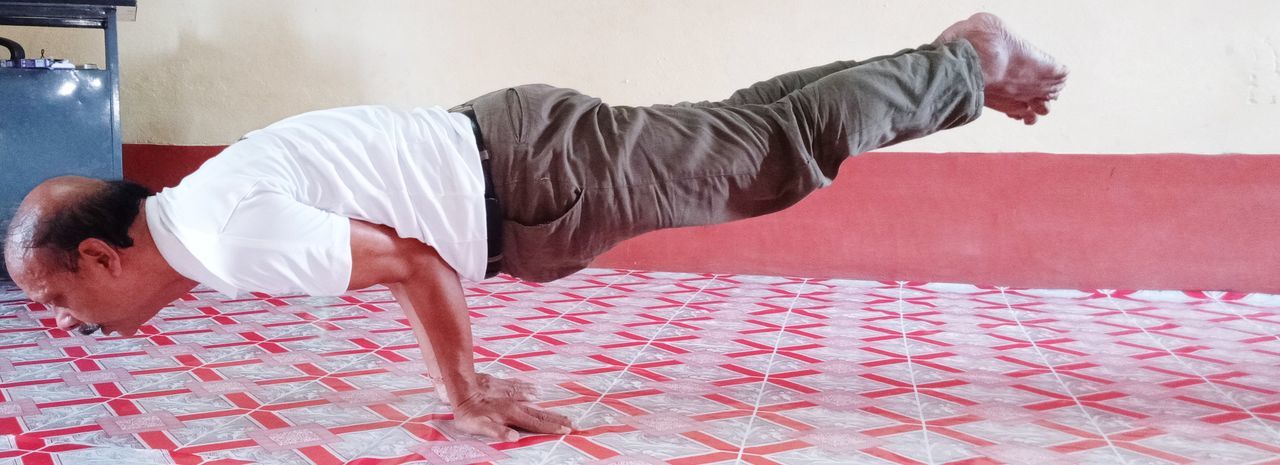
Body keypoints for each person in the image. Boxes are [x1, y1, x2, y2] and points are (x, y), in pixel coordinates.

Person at [2, 13, 1066, 442]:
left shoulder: (221, 239)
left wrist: (461, 393)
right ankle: (947, 61)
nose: (58, 321)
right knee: (752, 138)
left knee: (766, 162)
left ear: (103, 253)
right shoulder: (208, 202)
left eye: (55, 297)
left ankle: (961, 64)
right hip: (516, 157)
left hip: (530, 174)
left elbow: (414, 264)